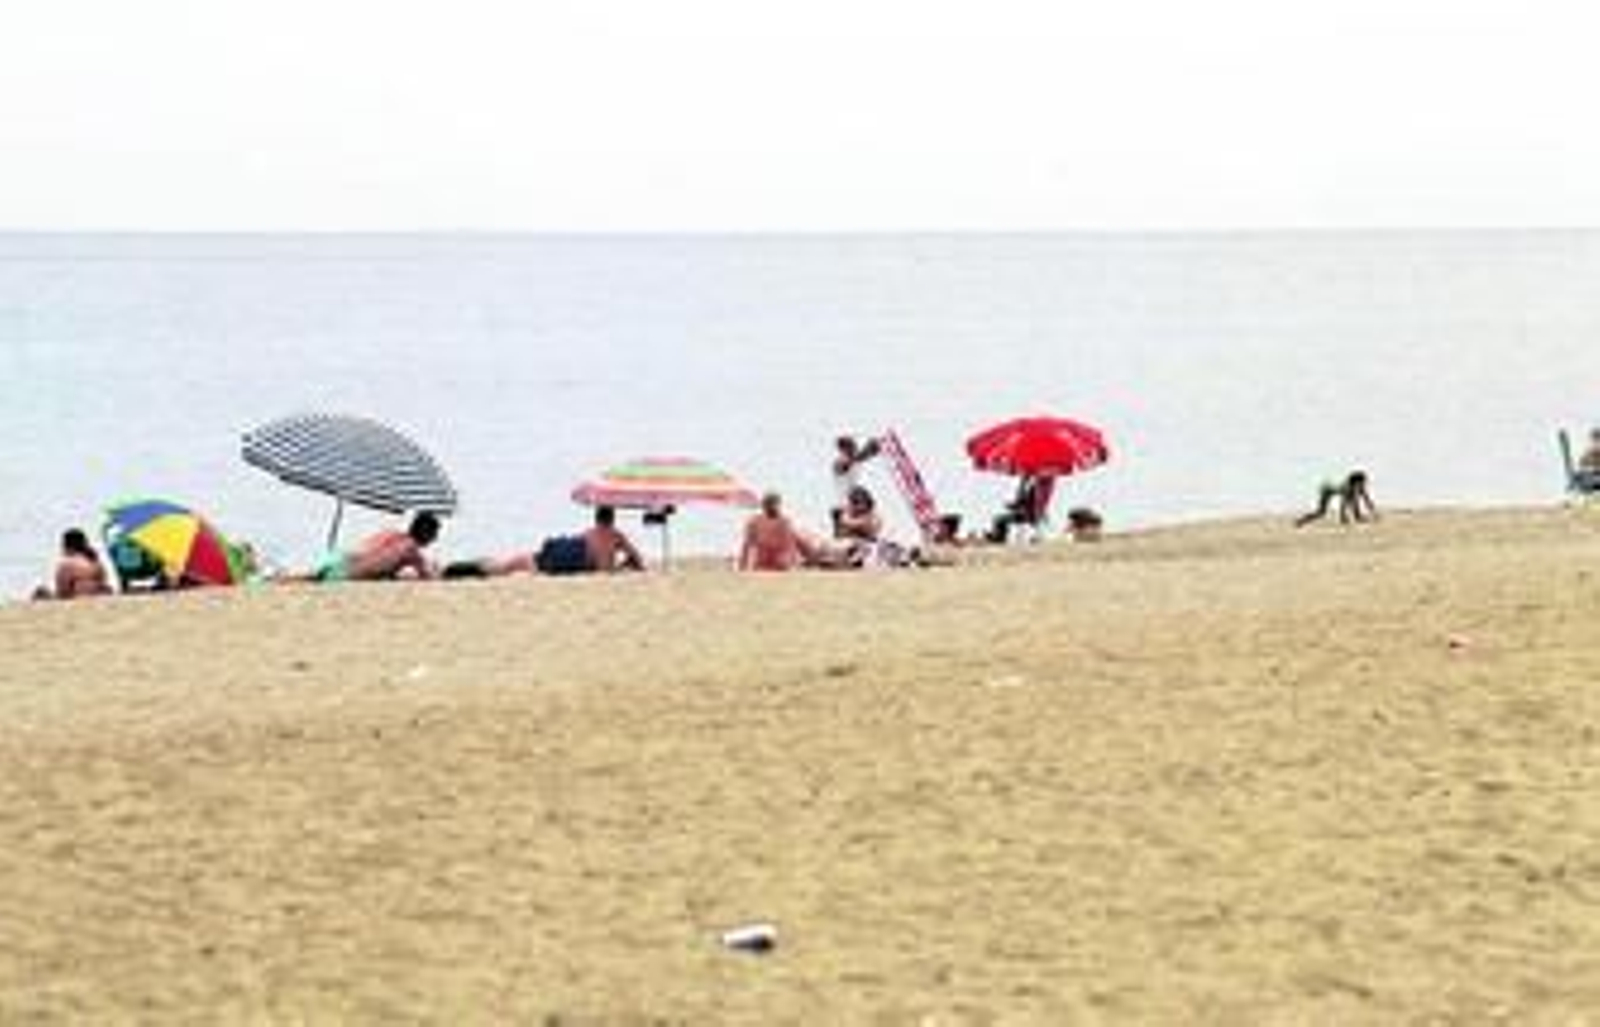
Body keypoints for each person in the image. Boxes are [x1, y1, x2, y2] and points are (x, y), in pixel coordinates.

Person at [307, 511, 442, 581]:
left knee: (315, 577)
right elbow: (428, 577)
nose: (435, 539)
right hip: (345, 574)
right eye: (434, 533)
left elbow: (374, 556)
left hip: (335, 560)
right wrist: (436, 568)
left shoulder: (390, 533)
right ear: (425, 532)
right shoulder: (412, 550)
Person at [740, 491, 820, 571]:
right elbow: (747, 545)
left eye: (774, 504)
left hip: (781, 564)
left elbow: (798, 541)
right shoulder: (755, 522)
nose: (772, 507)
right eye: (769, 504)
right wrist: (743, 564)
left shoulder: (785, 522)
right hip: (765, 564)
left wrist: (811, 557)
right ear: (764, 506)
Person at [33, 528, 113, 600]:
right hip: (95, 595)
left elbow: (63, 591)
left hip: (76, 597)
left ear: (67, 545)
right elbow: (103, 582)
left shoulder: (67, 565)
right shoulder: (95, 562)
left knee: (40, 592)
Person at [830, 434, 880, 537]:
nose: (854, 450)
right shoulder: (840, 462)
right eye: (851, 448)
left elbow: (863, 457)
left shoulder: (855, 461)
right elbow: (846, 464)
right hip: (844, 508)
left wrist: (871, 450)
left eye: (853, 447)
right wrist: (868, 450)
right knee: (845, 540)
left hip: (854, 505)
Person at [1294, 470, 1379, 527]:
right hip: (1326, 490)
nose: (1364, 483)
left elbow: (1366, 498)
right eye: (1362, 481)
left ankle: (1358, 518)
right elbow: (1343, 504)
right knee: (1321, 513)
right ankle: (1301, 521)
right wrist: (1343, 518)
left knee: (1353, 501)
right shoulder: (1347, 487)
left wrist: (1373, 511)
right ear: (1356, 482)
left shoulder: (1358, 487)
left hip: (1330, 487)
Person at [986, 474, 1055, 543]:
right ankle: (999, 537)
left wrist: (1024, 482)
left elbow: (1029, 502)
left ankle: (999, 537)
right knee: (999, 520)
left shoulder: (1039, 489)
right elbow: (1021, 502)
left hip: (1029, 514)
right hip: (1028, 513)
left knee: (1000, 520)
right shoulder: (1038, 488)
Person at [582, 505, 645, 573]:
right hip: (607, 571)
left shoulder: (587, 534)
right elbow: (636, 556)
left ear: (596, 519)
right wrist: (626, 564)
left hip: (591, 570)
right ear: (612, 519)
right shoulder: (615, 535)